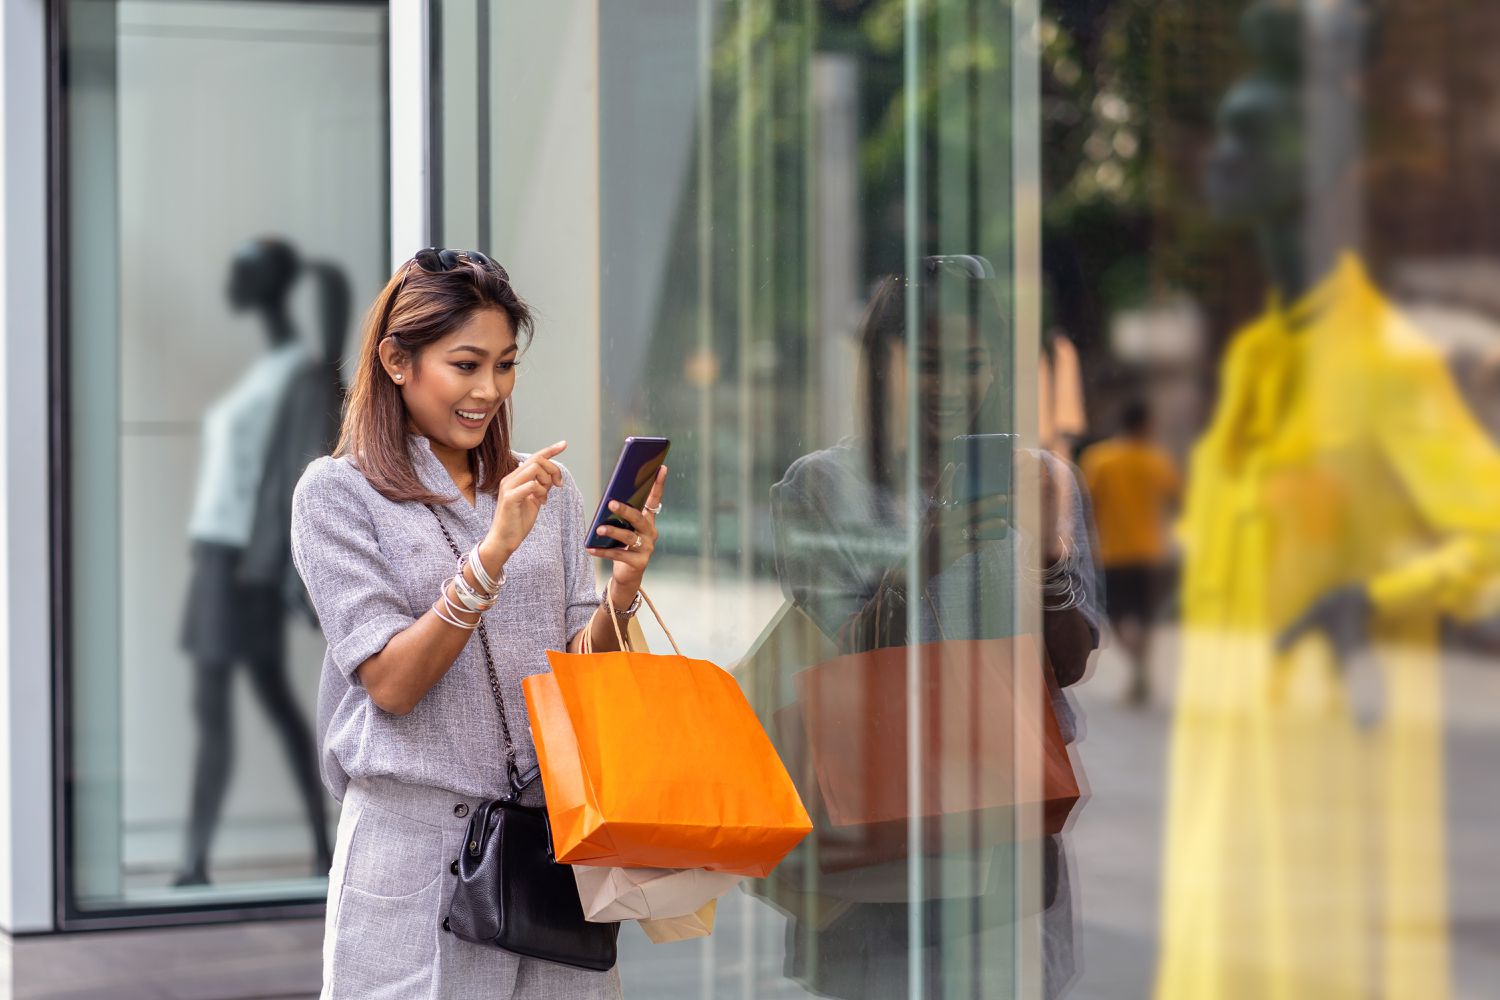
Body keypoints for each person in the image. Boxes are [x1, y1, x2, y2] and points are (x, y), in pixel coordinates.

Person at [1155, 3, 1500, 997]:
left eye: (1250, 136)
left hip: (1323, 789)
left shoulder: (1382, 360)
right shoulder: (1262, 355)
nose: (1220, 160)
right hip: (1224, 777)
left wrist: (1378, 598)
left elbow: (1487, 532)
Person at [289, 248, 668, 1000]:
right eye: (465, 364)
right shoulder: (338, 495)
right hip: (415, 861)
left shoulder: (544, 493)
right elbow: (393, 683)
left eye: (504, 364)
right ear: (398, 360)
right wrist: (491, 553)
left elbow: (577, 674)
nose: (488, 389)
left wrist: (621, 592)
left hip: (548, 852)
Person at [765, 256, 1101, 999]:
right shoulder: (820, 487)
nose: (949, 387)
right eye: (926, 364)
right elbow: (835, 659)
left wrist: (1045, 561)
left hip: (1003, 826)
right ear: (882, 365)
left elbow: (1070, 665)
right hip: (876, 836)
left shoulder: (1042, 481)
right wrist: (933, 550)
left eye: (971, 364)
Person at [175, 237, 343, 886]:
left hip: (242, 562)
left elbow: (296, 469)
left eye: (241, 271)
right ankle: (316, 847)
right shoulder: (268, 367)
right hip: (216, 555)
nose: (230, 281)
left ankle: (195, 861)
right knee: (256, 701)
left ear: (267, 286)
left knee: (229, 705)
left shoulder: (296, 374)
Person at [1079, 399, 1180, 704]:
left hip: (1112, 551)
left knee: (1116, 615)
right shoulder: (1158, 460)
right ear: (1146, 425)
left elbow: (1085, 503)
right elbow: (1175, 500)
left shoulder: (1099, 459)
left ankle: (1137, 668)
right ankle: (1141, 668)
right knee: (1146, 616)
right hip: (1151, 551)